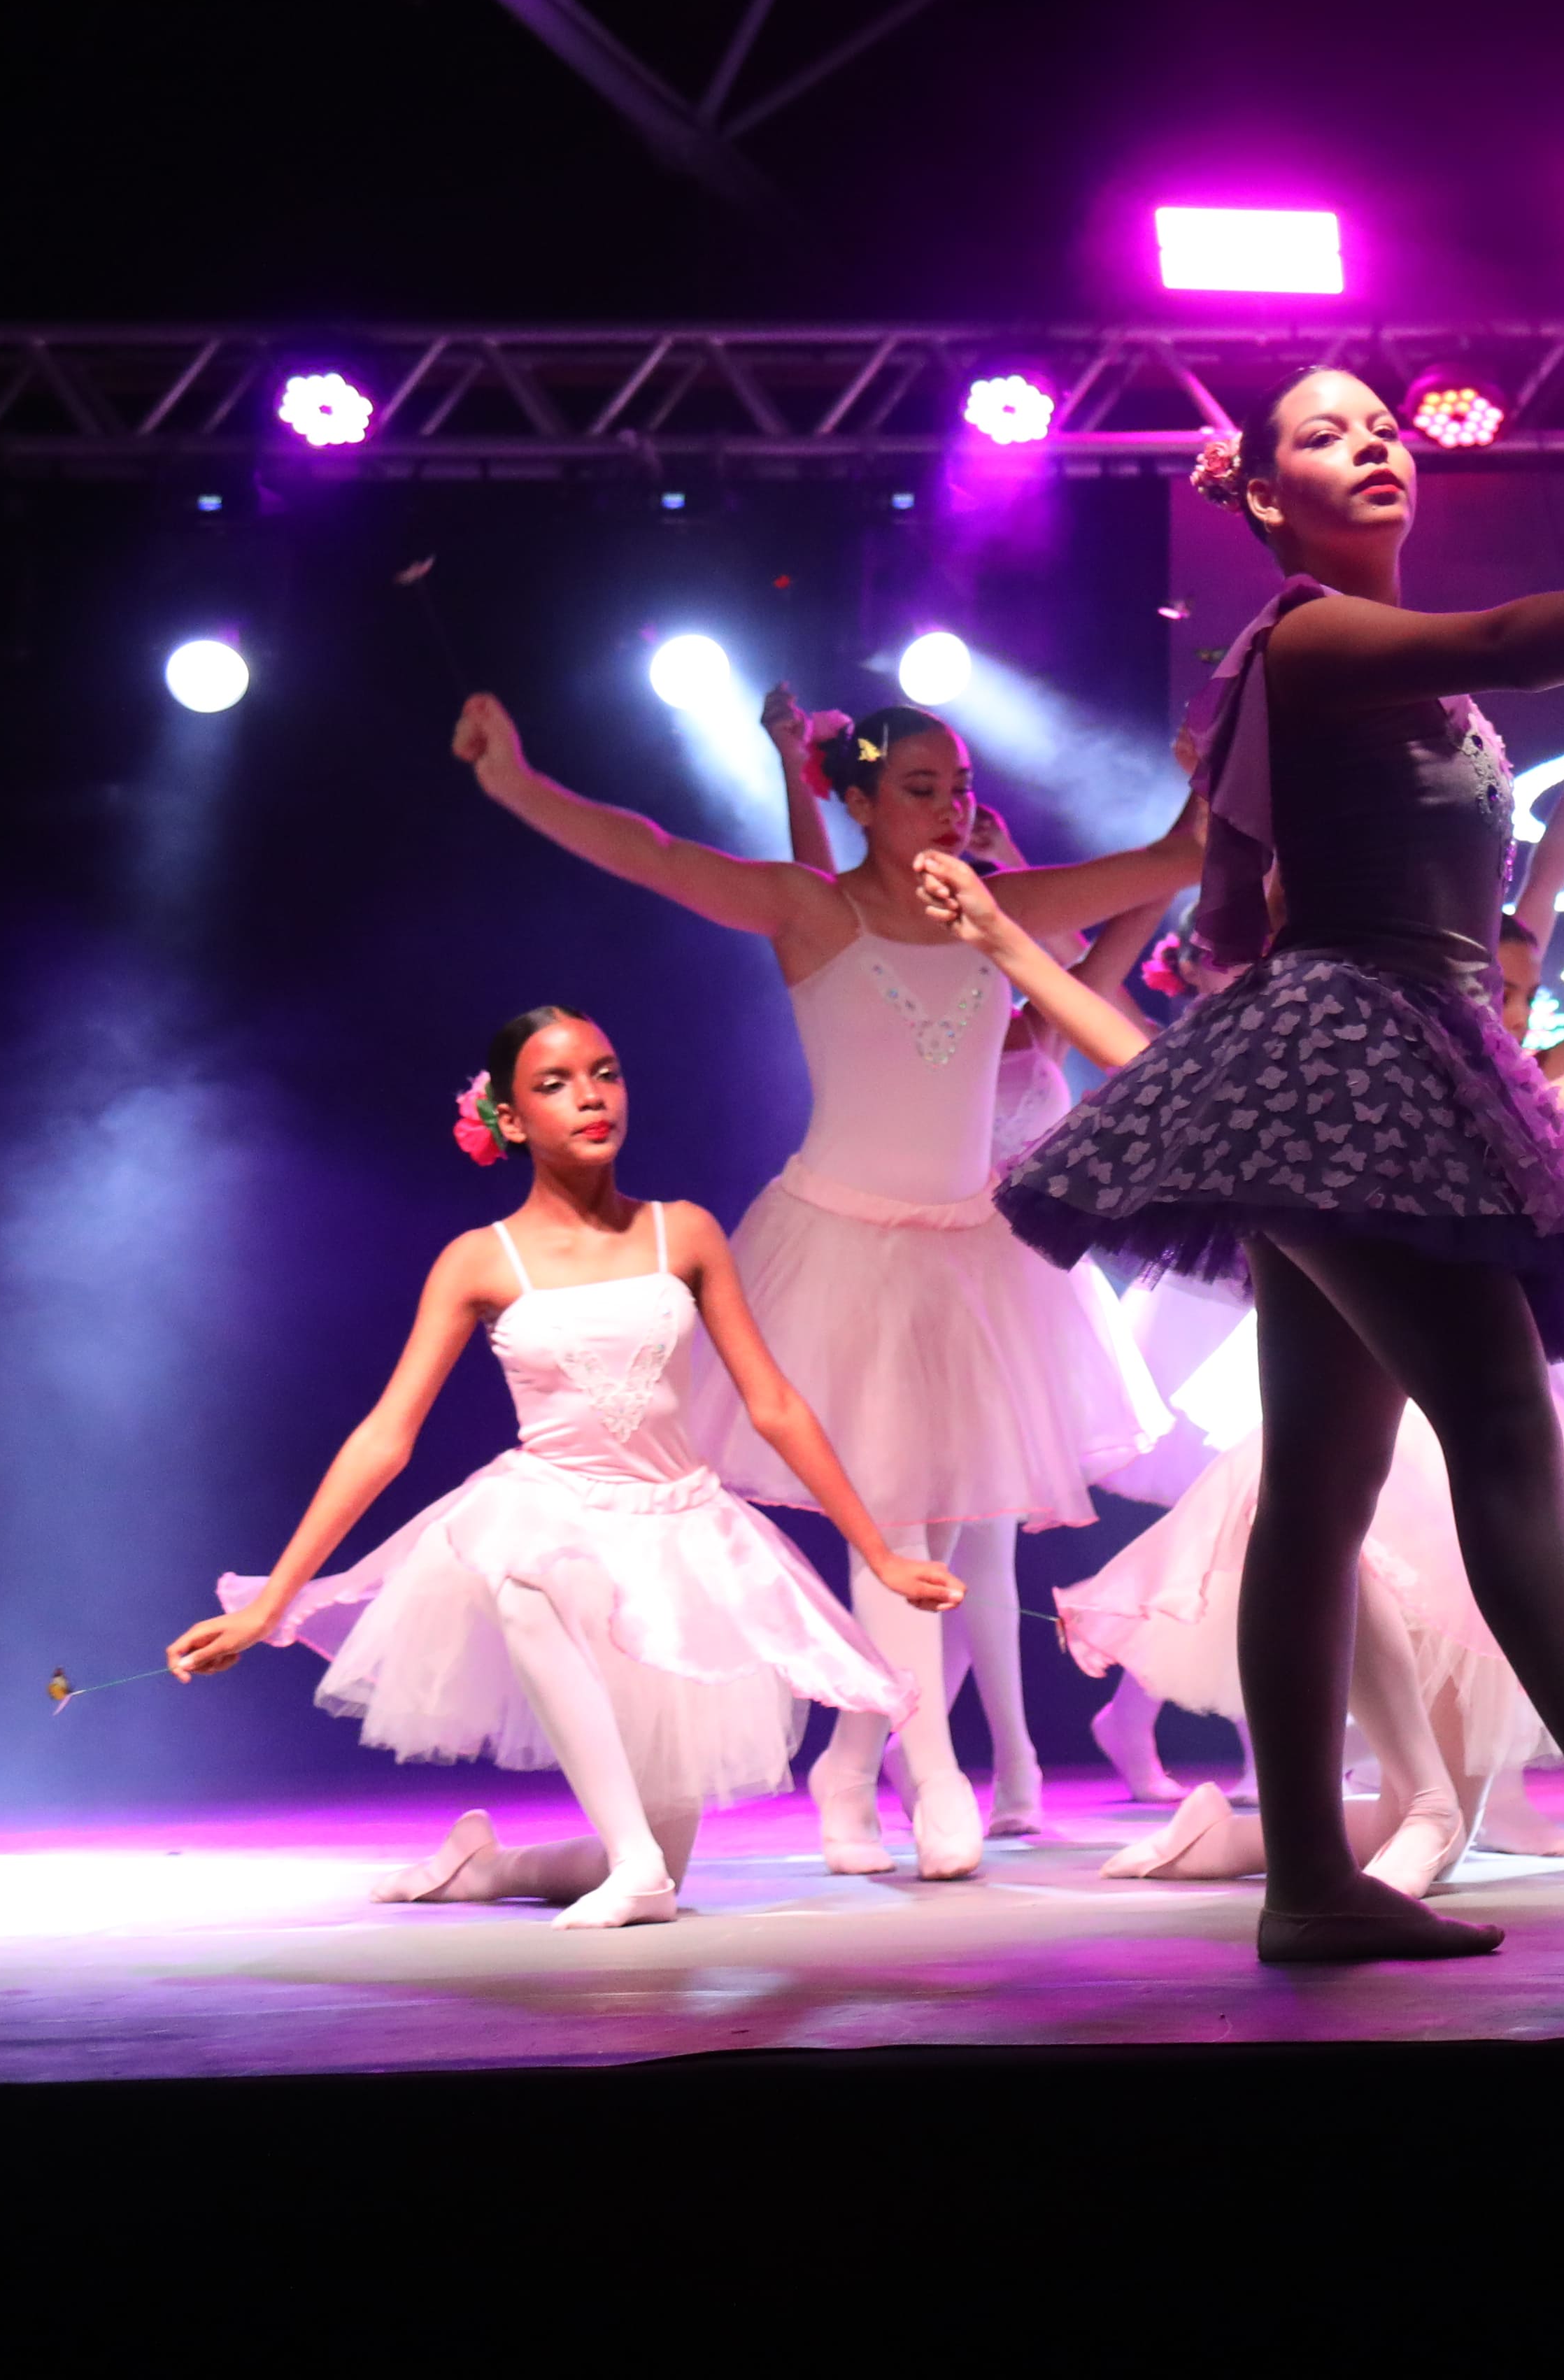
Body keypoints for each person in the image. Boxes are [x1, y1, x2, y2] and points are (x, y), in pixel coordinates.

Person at [991, 367, 1564, 1970]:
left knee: (1324, 1475)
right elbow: (1502, 637)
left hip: (1401, 1043)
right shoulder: (1309, 634)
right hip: (1348, 1053)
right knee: (1494, 1421)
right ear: (1262, 493)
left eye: (1382, 424)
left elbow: (1281, 863)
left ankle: (1308, 1876)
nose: (1370, 442)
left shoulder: (1360, 670)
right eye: (1323, 431)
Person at [942, 767, 1564, 1896]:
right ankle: (1373, 1845)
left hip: (1463, 1463)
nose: (1505, 1012)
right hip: (1360, 1449)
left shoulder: (1529, 1115)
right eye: (1491, 987)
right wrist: (1007, 947)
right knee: (1380, 1670)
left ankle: (1271, 1842)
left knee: (1450, 1787)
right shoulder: (1319, 1092)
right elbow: (1139, 1059)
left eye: (1518, 995)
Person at [454, 691, 1194, 1880]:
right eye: (920, 789)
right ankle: (933, 1774)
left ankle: (852, 1767)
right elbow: (657, 855)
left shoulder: (996, 907)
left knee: (930, 1538)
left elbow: (1170, 861)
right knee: (891, 1526)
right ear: (854, 801)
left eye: (960, 787)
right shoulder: (813, 909)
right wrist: (517, 783)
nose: (950, 808)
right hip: (844, 1252)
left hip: (973, 1256)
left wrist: (1223, 762)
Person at [169, 1006, 957, 1927]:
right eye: (555, 1084)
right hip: (552, 1506)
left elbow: (774, 1403)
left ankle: (489, 1870)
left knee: (663, 1855)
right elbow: (386, 1434)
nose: (591, 1098)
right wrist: (271, 1605)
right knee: (521, 1573)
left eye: (605, 1073)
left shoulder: (683, 1233)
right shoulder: (480, 1260)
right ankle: (635, 1871)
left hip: (676, 1534)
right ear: (508, 1119)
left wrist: (881, 1553)